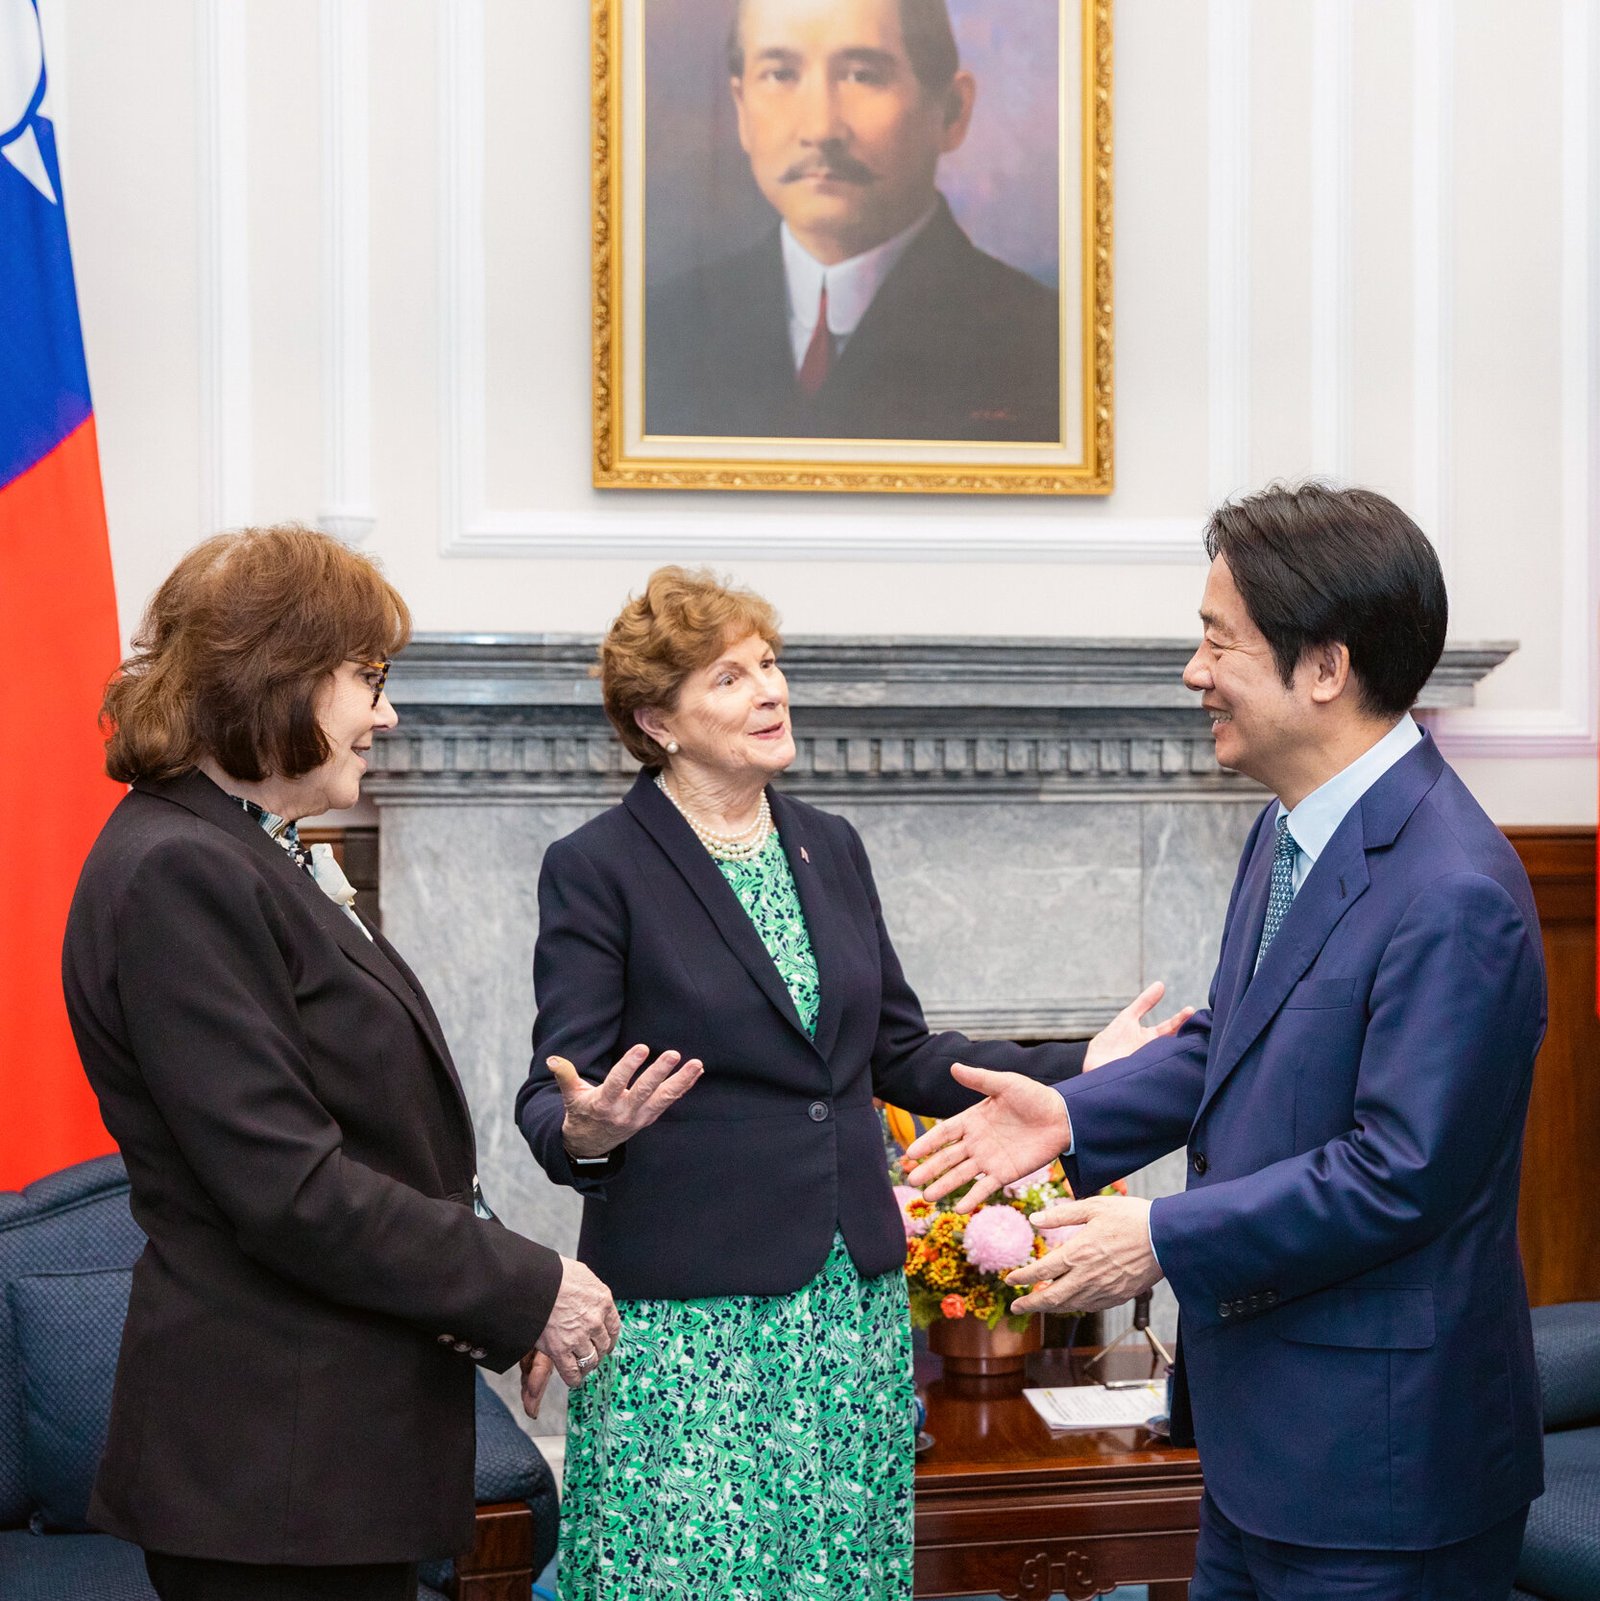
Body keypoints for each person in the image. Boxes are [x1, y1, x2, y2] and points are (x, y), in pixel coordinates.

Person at [906, 484, 1547, 1601]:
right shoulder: (1289, 827)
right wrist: (1072, 1112)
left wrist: (1162, 1234)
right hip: (1261, 1455)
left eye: (1217, 641)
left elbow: (1397, 1173)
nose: (1192, 672)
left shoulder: (1455, 889)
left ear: (1325, 667)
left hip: (1382, 1478)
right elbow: (1241, 1036)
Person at [515, 565, 1189, 1600]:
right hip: (689, 1324)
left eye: (769, 664)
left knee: (839, 1571)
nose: (770, 690)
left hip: (846, 1310)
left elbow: (900, 1049)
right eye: (730, 677)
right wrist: (588, 1128)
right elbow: (553, 1091)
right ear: (657, 721)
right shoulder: (597, 864)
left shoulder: (827, 844)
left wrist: (1079, 1070)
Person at [60, 526, 627, 1601]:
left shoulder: (237, 847)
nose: (386, 714)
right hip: (272, 1473)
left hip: (317, 1464)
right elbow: (290, 1188)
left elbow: (374, 1135)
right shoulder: (181, 869)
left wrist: (491, 1288)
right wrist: (524, 1283)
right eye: (368, 678)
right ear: (279, 673)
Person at [645, 0, 1060, 442]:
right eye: (780, 75)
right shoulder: (658, 329)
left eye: (863, 75)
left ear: (952, 112)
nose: (821, 129)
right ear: (742, 110)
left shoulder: (1044, 343)